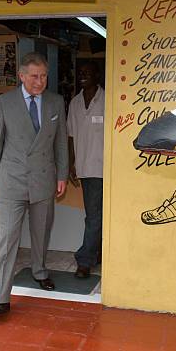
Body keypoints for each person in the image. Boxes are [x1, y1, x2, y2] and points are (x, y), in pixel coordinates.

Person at [0, 53, 68, 315]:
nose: (39, 81)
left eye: (44, 76)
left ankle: (40, 271)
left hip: (44, 179)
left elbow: (61, 143)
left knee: (41, 231)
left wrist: (62, 174)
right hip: (11, 181)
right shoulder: (3, 102)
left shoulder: (56, 102)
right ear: (21, 76)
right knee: (8, 238)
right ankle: (1, 297)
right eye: (34, 76)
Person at [67, 62, 105, 279]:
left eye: (87, 72)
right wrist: (71, 163)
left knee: (93, 216)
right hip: (84, 167)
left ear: (97, 75)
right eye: (80, 72)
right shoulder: (74, 103)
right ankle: (96, 253)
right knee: (94, 215)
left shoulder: (106, 100)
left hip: (102, 167)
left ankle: (85, 260)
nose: (83, 75)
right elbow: (71, 135)